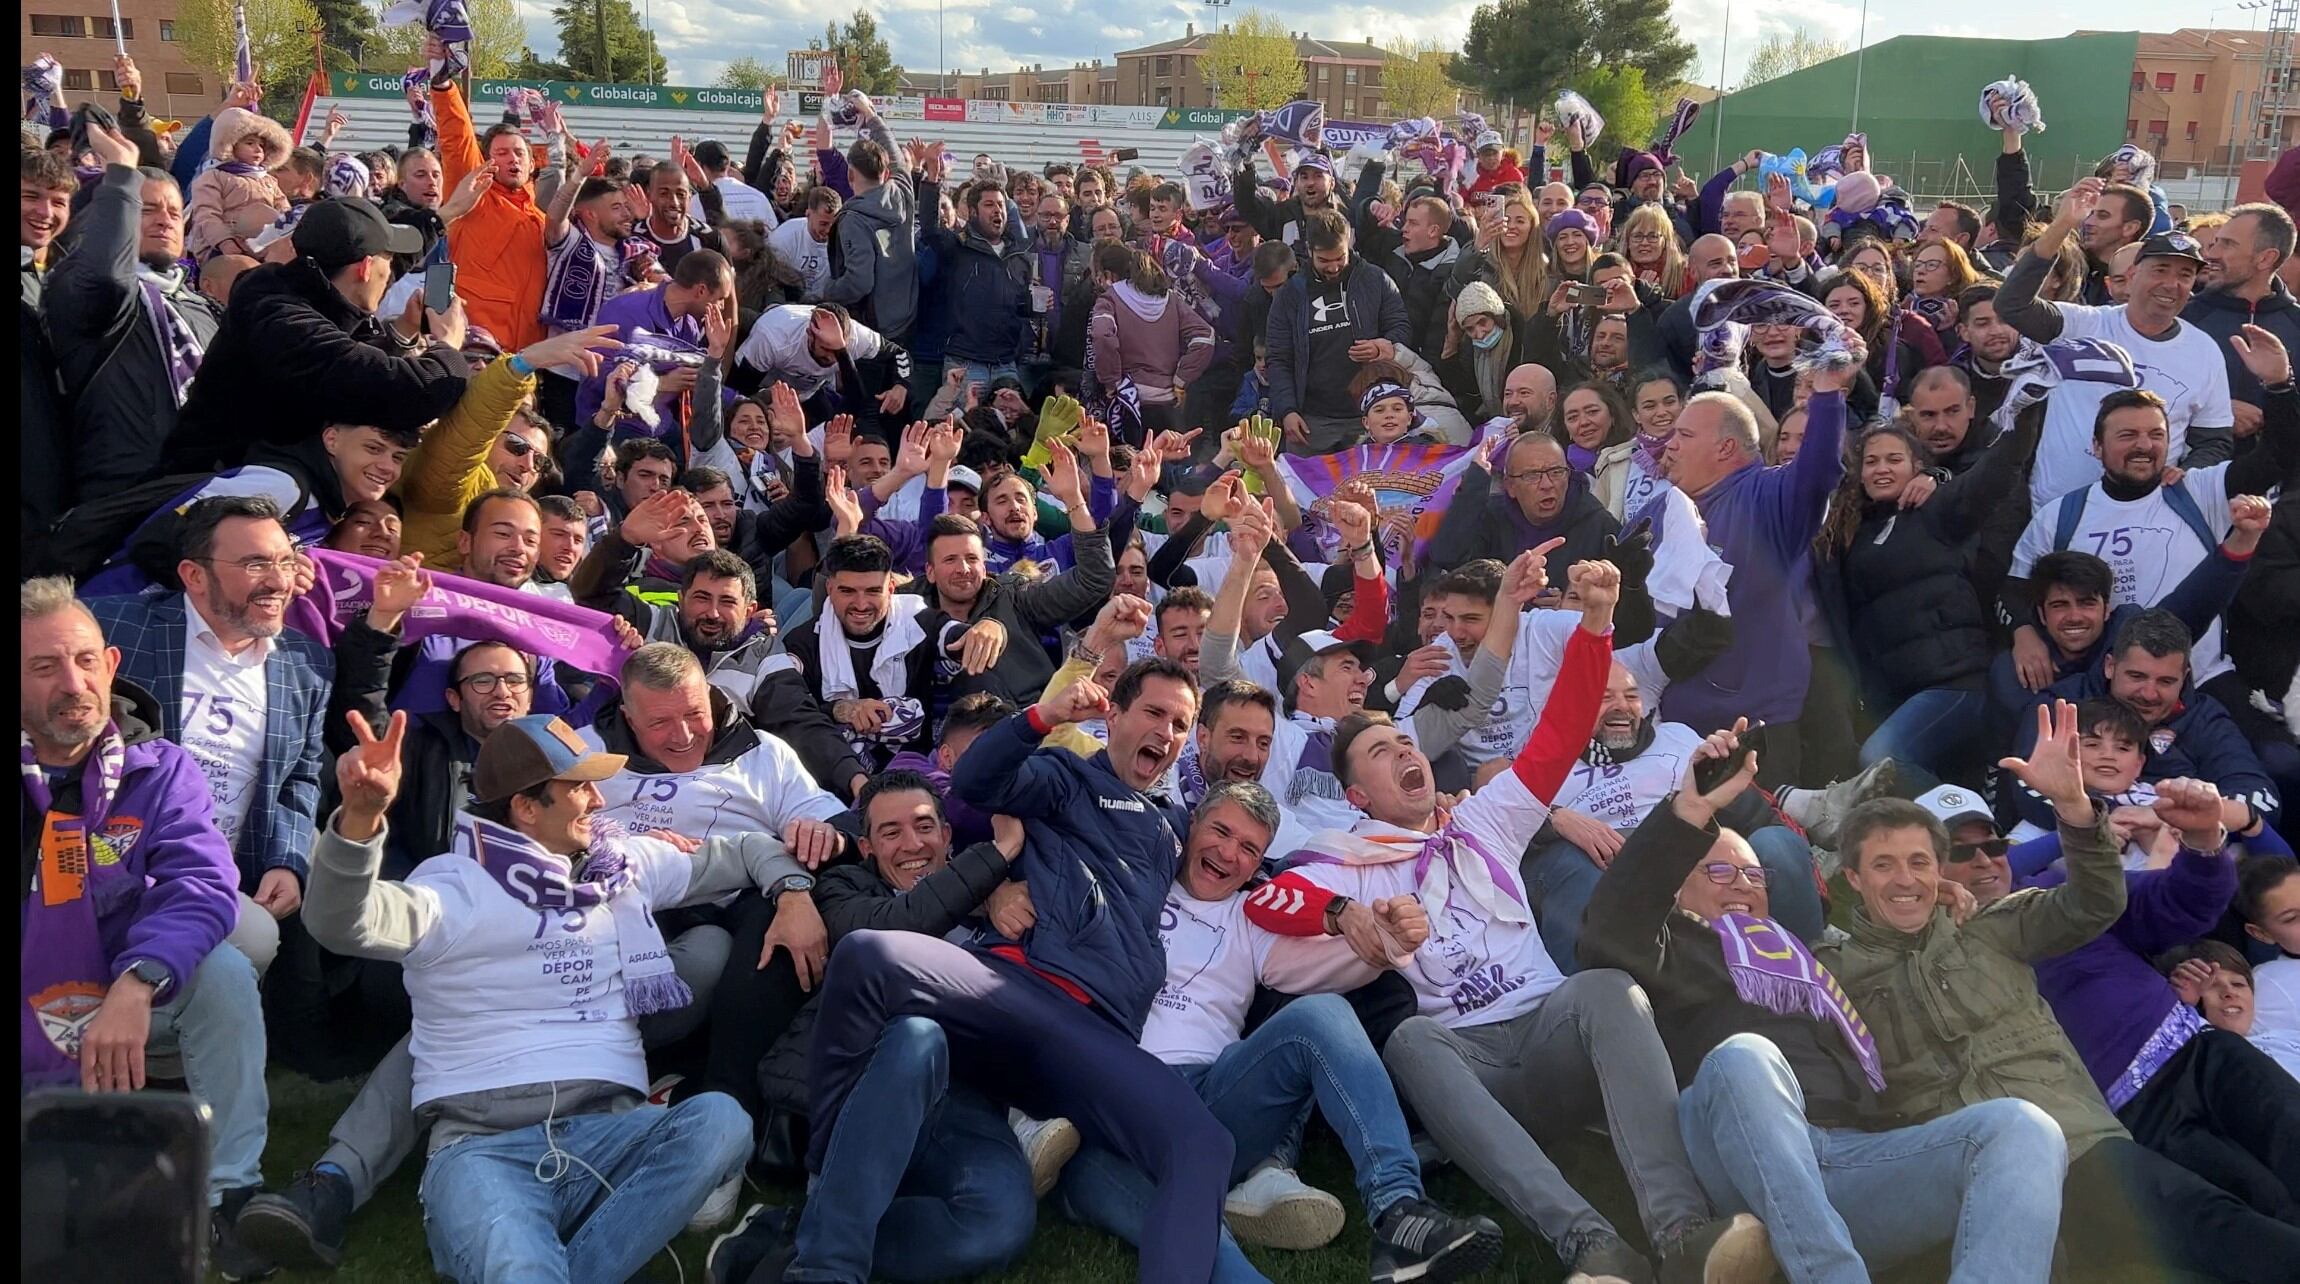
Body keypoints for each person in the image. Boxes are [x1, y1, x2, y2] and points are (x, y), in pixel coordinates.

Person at [1248, 558, 1774, 1284]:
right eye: (1380, 752)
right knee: (1411, 1039)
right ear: (1358, 797)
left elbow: (1557, 739)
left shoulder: (1484, 822)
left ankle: (1683, 1233)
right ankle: (1589, 1246)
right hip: (1469, 1068)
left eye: (1406, 745)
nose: (1405, 753)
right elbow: (1267, 906)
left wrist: (1594, 628)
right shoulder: (1340, 859)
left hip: (1553, 1035)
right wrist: (1344, 916)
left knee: (1604, 988)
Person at [304, 710, 796, 1282]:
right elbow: (343, 922)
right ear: (527, 807)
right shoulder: (452, 885)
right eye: (579, 787)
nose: (597, 800)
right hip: (482, 1148)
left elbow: (744, 851)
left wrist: (794, 891)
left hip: (609, 1135)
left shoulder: (619, 866)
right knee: (521, 1268)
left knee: (721, 1120)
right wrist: (359, 821)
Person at [1823, 705, 2300, 1282]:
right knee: (2236, 1216)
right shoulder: (1844, 970)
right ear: (1855, 877)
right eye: (1960, 852)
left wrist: (2098, 817)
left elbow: (2125, 901)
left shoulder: (2032, 902)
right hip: (2103, 1132)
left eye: (1993, 847)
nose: (1982, 860)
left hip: (2194, 1056)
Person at [1582, 723, 2070, 1284]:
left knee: (2025, 1127)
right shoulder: (1667, 949)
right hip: (1736, 1151)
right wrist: (1688, 812)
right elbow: (1608, 931)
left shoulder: (1815, 966)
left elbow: (1901, 976)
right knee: (1745, 1056)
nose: (1742, 884)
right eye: (1718, 870)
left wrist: (1930, 914)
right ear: (1677, 889)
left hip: (1853, 1161)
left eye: (1753, 873)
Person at [808, 660, 1239, 1284]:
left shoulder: (1174, 825)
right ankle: (825, 1190)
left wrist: (1341, 908)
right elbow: (978, 781)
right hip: (1011, 989)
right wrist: (1043, 717)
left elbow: (1248, 849)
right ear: (1114, 715)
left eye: (1180, 723)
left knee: (1204, 1144)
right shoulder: (1066, 776)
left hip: (1092, 1037)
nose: (1166, 732)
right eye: (1153, 713)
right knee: (868, 954)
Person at [1055, 779, 1508, 1284]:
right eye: (1221, 831)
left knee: (1324, 1015)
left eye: (1249, 848)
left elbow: (1342, 962)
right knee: (1192, 1228)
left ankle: (1399, 1212)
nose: (1229, 853)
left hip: (1208, 1104)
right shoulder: (1132, 883)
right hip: (1113, 1105)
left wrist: (1388, 935)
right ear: (1191, 825)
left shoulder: (1251, 919)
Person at [20, 576, 273, 1278]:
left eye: (83, 660)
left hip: (126, 1001)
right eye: (43, 668)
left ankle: (230, 1196)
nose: (72, 683)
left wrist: (137, 985)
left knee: (224, 970)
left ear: (111, 663)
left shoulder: (161, 770)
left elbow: (202, 886)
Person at [706, 773, 1039, 1284]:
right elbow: (898, 929)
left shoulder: (998, 903)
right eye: (891, 833)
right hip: (872, 1082)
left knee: (994, 1227)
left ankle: (789, 1233)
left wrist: (993, 887)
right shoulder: (844, 890)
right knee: (918, 1036)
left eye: (925, 826)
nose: (912, 844)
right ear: (866, 846)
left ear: (948, 836)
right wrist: (999, 854)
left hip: (964, 1099)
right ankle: (826, 1272)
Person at [85, 497, 336, 976]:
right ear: (194, 575)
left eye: (286, 561)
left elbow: (301, 776)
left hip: (214, 879)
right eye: (255, 563)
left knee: (252, 947)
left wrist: (288, 859)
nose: (280, 581)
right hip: (107, 859)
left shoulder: (308, 665)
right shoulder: (112, 626)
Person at [1525, 660, 1827, 972]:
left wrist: (1724, 772)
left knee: (1778, 843)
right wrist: (1555, 818)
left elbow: (1755, 814)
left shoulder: (1677, 738)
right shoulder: (1543, 763)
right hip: (1614, 877)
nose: (1622, 708)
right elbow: (1499, 824)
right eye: (1605, 698)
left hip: (1698, 854)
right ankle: (1591, 999)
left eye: (1631, 697)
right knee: (1568, 865)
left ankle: (1814, 974)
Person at [1657, 348, 1860, 782]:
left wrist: (1826, 393)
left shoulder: (1767, 500)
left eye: (1685, 435)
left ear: (1725, 446)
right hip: (1674, 722)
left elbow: (1818, 472)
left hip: (1752, 725)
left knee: (1759, 847)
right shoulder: (1666, 509)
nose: (1669, 444)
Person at [164, 197, 465, 474]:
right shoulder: (286, 324)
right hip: (209, 497)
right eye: (388, 259)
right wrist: (448, 344)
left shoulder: (298, 293)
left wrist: (439, 220)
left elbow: (351, 353)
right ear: (366, 267)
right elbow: (406, 391)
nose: (392, 273)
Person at [1811, 415, 2035, 777]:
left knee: (1881, 760)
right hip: (1893, 694)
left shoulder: (1938, 510)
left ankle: (1968, 825)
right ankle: (1962, 829)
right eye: (1871, 461)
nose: (1881, 469)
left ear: (1917, 467)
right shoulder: (1848, 531)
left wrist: (2026, 414)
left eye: (1894, 460)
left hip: (1954, 682)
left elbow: (1993, 475)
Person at [1995, 182, 2235, 508]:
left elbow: (2214, 440)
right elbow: (2012, 305)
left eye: (2185, 275)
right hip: (2057, 509)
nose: (2171, 284)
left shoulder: (2204, 351)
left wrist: (2186, 474)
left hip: (2147, 514)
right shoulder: (2086, 324)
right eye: (2161, 270)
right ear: (2133, 275)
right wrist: (2062, 225)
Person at [44, 124, 224, 497]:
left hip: (203, 482)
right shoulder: (80, 284)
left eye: (175, 213)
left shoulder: (200, 306)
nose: (165, 220)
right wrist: (123, 171)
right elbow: (108, 277)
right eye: (147, 209)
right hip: (124, 488)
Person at [1266, 209, 1412, 454]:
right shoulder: (1290, 295)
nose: (1333, 267)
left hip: (1371, 414)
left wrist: (1381, 346)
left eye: (1339, 258)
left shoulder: (1375, 279)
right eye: (1324, 260)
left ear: (1350, 243)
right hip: (1313, 420)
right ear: (1310, 250)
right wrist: (1287, 410)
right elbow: (1279, 357)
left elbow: (1401, 328)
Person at [430, 69, 547, 351]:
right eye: (502, 153)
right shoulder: (474, 195)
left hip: (527, 358)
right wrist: (442, 85)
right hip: (473, 349)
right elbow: (457, 140)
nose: (512, 159)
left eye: (519, 153)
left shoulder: (543, 222)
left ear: (532, 165)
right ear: (487, 161)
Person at [820, 67, 919, 343]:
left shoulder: (853, 218)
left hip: (871, 328)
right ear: (886, 172)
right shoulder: (903, 190)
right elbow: (896, 155)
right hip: (906, 318)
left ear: (850, 174)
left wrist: (829, 290)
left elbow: (859, 282)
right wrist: (872, 117)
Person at [2187, 201, 2300, 417]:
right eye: (2216, 242)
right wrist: (2216, 409)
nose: (2211, 254)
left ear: (2266, 258)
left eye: (2228, 244)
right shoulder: (2182, 318)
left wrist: (2281, 386)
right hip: (2193, 451)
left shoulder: (2296, 324)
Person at [768, 184, 841, 301]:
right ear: (808, 214)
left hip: (827, 303)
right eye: (823, 224)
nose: (828, 231)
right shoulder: (784, 237)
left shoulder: (844, 240)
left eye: (833, 224)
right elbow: (771, 283)